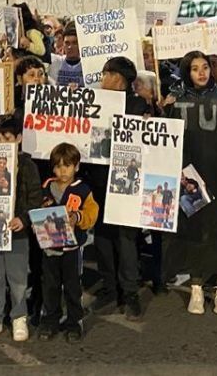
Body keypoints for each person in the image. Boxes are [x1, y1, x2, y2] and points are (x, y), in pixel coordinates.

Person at [90, 57, 149, 320]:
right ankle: (109, 287)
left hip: (126, 183)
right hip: (98, 178)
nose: (102, 78)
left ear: (118, 78)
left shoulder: (137, 105)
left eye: (106, 73)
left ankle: (130, 292)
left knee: (126, 239)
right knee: (102, 236)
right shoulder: (94, 100)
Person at [0, 119, 42, 343]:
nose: (2, 142)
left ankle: (19, 316)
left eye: (8, 138)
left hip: (18, 232)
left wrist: (23, 219)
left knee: (18, 277)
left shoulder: (27, 165)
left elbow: (35, 197)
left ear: (19, 139)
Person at [39, 142, 99, 342]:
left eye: (67, 166)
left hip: (72, 248)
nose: (62, 171)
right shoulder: (46, 186)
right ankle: (50, 321)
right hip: (49, 248)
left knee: (73, 287)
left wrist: (78, 217)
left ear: (77, 167)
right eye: (57, 166)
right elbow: (36, 208)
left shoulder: (82, 189)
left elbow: (92, 213)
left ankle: (75, 322)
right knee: (50, 286)